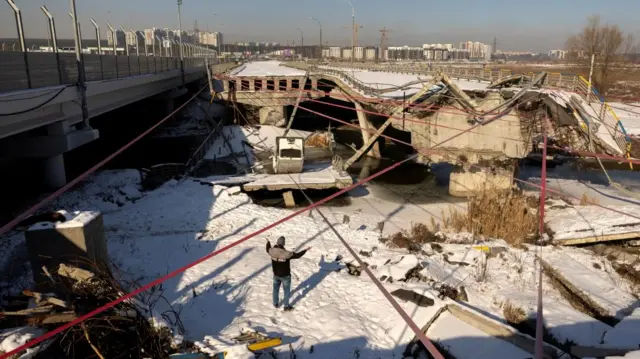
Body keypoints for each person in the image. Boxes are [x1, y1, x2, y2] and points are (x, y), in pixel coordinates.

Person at [266, 236, 310, 311]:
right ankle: (286, 306)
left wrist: (268, 242)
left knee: (275, 289)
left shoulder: (271, 251)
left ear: (277, 242)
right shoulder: (287, 254)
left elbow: (267, 249)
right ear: (283, 244)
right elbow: (297, 255)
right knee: (286, 291)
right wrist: (305, 250)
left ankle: (275, 303)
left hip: (276, 275)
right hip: (285, 276)